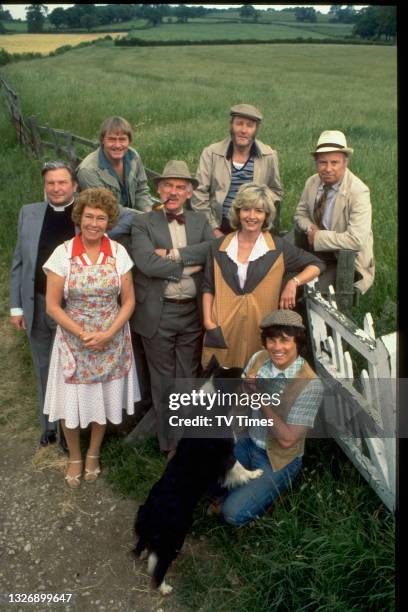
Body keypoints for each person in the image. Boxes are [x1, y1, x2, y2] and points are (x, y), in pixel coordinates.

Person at [43, 188, 140, 488]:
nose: (94, 224)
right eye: (89, 217)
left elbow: (128, 301)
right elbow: (52, 305)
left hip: (111, 339)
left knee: (103, 399)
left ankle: (94, 452)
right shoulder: (63, 253)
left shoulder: (118, 252)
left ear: (108, 221)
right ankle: (74, 454)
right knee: (70, 400)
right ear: (79, 217)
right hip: (75, 340)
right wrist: (83, 334)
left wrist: (109, 333)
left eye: (101, 218)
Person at [130, 160, 214, 451]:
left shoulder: (200, 220)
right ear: (159, 189)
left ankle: (186, 445)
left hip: (192, 311)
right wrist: (189, 266)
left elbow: (211, 250)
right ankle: (170, 448)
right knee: (163, 382)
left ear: (190, 192)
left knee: (187, 381)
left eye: (181, 186)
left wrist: (173, 254)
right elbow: (146, 263)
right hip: (158, 311)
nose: (174, 191)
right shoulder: (143, 222)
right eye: (168, 185)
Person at [202, 183, 325, 370]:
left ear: (266, 215)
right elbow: (208, 287)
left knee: (256, 384)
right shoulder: (218, 247)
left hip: (259, 331)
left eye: (258, 211)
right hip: (223, 330)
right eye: (246, 210)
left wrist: (293, 282)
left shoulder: (278, 248)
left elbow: (317, 264)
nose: (252, 216)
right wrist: (209, 323)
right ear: (238, 212)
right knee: (222, 386)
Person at [221, 310, 323, 526]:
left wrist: (259, 399)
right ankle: (237, 489)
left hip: (278, 458)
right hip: (248, 441)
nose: (277, 347)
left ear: (298, 342)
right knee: (200, 476)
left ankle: (264, 491)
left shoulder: (310, 384)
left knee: (231, 513)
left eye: (285, 340)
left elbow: (287, 439)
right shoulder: (259, 358)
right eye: (271, 340)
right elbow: (239, 411)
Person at [9, 160, 78, 447]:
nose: (56, 188)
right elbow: (19, 262)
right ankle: (49, 425)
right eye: (50, 183)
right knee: (43, 365)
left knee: (71, 369)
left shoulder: (85, 213)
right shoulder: (29, 213)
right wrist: (16, 307)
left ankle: (71, 429)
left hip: (71, 307)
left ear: (74, 185)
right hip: (36, 303)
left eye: (62, 182)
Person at [294, 130, 374, 294]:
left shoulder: (358, 192)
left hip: (345, 260)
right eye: (323, 162)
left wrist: (318, 237)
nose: (328, 168)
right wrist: (311, 229)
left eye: (334, 162)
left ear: (345, 162)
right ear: (316, 163)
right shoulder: (312, 182)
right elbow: (300, 213)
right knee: (282, 276)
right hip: (315, 251)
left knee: (312, 293)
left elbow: (356, 240)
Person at [191, 103, 283, 236]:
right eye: (239, 124)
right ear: (231, 125)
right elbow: (199, 193)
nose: (244, 130)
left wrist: (260, 217)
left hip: (253, 226)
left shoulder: (268, 156)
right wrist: (213, 229)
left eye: (250, 125)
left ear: (256, 129)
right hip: (219, 224)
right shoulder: (211, 153)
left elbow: (275, 191)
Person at [77, 116, 152, 212]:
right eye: (112, 139)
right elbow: (105, 208)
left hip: (132, 217)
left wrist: (149, 212)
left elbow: (141, 190)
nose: (117, 145)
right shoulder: (88, 170)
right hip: (104, 221)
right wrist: (141, 217)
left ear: (129, 141)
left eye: (122, 139)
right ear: (102, 140)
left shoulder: (133, 156)